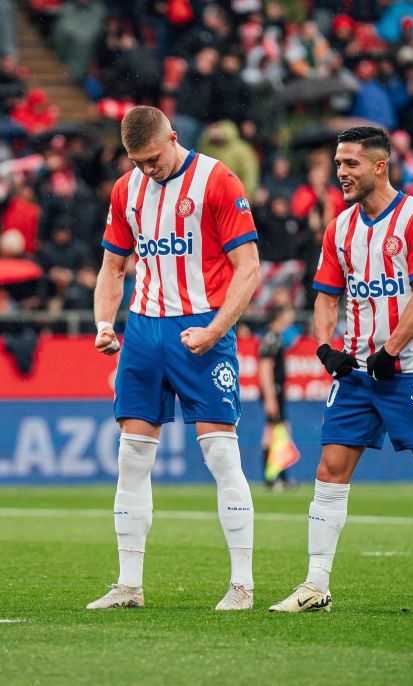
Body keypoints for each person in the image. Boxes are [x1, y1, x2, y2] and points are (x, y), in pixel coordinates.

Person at [269, 127, 413, 616]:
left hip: (409, 371)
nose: (341, 172)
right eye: (338, 164)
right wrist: (325, 348)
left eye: (351, 164)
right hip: (357, 375)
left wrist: (391, 350)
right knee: (329, 470)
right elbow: (326, 297)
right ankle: (315, 586)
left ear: (379, 166)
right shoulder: (339, 228)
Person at [87, 106, 260, 611]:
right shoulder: (127, 190)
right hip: (143, 331)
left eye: (153, 158)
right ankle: (129, 585)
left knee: (221, 454)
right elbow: (112, 268)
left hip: (201, 327)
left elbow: (248, 267)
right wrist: (104, 323)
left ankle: (242, 585)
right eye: (137, 162)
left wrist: (215, 330)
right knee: (131, 457)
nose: (148, 169)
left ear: (173, 138)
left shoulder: (218, 180)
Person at [258, 302, 296, 489]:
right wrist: (270, 398)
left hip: (277, 392)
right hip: (273, 392)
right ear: (279, 315)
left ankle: (279, 476)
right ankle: (272, 478)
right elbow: (265, 368)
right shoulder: (271, 338)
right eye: (288, 311)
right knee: (273, 433)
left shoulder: (277, 337)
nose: (292, 315)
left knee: (280, 432)